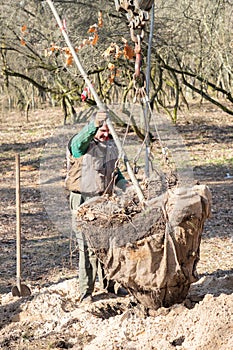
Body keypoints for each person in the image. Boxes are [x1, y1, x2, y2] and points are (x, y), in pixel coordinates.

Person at [65, 110, 128, 303]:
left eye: (108, 131)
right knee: (86, 247)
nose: (105, 134)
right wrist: (94, 124)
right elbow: (80, 140)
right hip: (83, 201)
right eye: (102, 130)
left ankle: (111, 284)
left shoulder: (110, 148)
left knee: (108, 245)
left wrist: (129, 188)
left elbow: (115, 174)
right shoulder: (81, 145)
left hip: (104, 202)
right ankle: (86, 291)